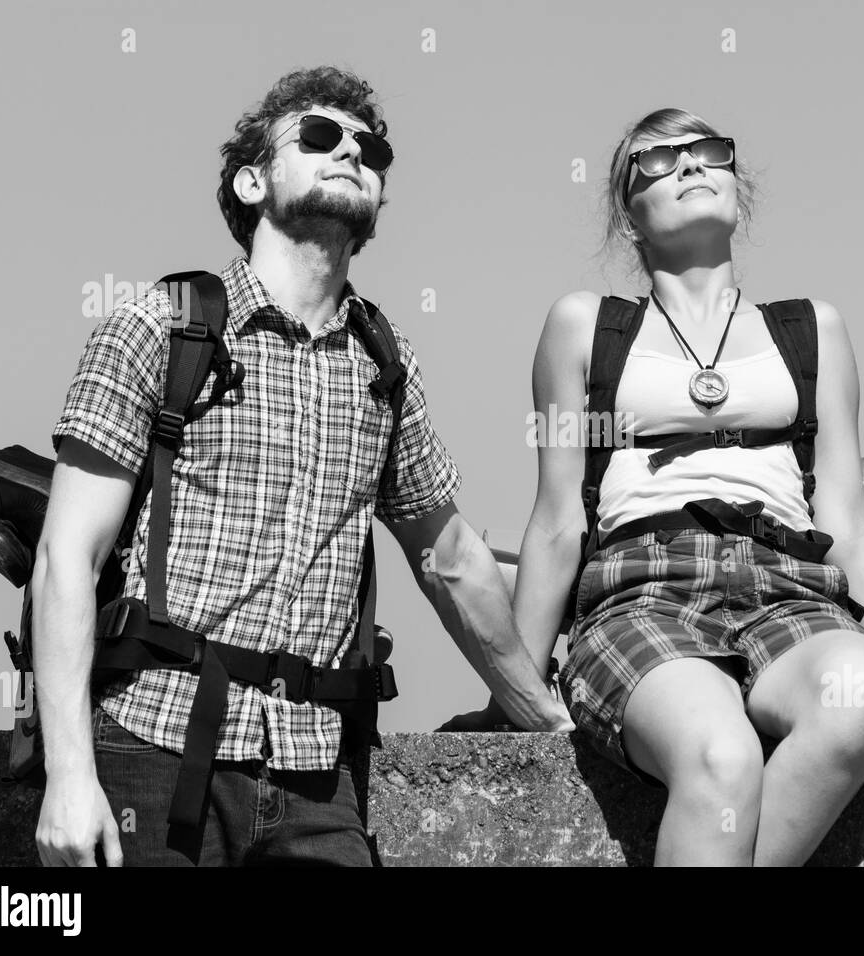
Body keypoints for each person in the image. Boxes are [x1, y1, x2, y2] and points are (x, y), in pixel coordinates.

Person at [30, 66, 572, 868]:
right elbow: (66, 556)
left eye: (371, 148)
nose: (352, 149)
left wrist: (549, 723)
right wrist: (68, 776)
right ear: (252, 181)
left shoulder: (385, 361)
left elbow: (450, 558)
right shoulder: (160, 325)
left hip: (319, 774)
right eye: (318, 137)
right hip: (153, 743)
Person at [453, 108, 864, 866]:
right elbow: (559, 518)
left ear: (737, 186)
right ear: (629, 217)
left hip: (793, 587)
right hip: (641, 589)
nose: (690, 165)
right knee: (721, 755)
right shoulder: (586, 328)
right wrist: (519, 695)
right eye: (657, 161)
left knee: (861, 695)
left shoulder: (811, 330)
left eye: (707, 151)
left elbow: (848, 519)